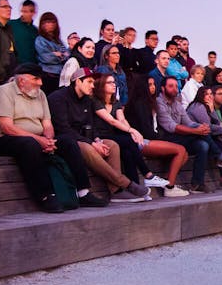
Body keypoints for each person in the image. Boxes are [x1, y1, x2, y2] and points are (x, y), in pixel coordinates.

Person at [0, 63, 100, 213]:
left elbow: (47, 124)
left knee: (68, 142)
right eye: (36, 79)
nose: (41, 83)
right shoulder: (4, 91)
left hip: (34, 139)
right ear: (21, 81)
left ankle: (83, 192)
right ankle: (46, 196)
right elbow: (7, 127)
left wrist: (49, 140)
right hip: (2, 138)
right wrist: (39, 141)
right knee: (30, 144)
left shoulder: (40, 94)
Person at [48, 68, 148, 203]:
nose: (92, 86)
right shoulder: (58, 97)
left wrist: (98, 140)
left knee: (112, 145)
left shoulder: (87, 100)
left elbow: (91, 125)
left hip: (85, 138)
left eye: (93, 82)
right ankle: (125, 183)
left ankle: (116, 192)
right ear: (78, 81)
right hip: (66, 140)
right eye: (89, 82)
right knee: (88, 148)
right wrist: (92, 143)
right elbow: (63, 129)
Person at [91, 72, 181, 195]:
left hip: (113, 135)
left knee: (128, 151)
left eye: (114, 82)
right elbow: (111, 121)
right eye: (110, 82)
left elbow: (121, 119)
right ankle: (147, 175)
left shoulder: (115, 102)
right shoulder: (96, 101)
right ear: (101, 85)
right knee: (128, 139)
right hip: (100, 136)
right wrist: (132, 130)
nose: (114, 85)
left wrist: (132, 133)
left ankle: (137, 189)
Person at [155, 76, 222, 193]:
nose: (175, 89)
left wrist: (200, 127)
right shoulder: (159, 102)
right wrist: (197, 130)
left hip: (181, 136)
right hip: (165, 137)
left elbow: (188, 123)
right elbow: (171, 126)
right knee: (204, 135)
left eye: (176, 86)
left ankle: (197, 184)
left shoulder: (177, 103)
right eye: (171, 86)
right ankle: (220, 156)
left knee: (203, 145)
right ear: (163, 88)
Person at [186, 86, 222, 189]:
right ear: (201, 95)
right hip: (194, 136)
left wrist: (211, 110)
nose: (209, 96)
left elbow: (217, 123)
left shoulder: (207, 106)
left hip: (205, 136)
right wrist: (218, 126)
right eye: (207, 94)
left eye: (211, 94)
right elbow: (209, 126)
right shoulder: (198, 106)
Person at [34, 11, 69, 95]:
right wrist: (57, 55)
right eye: (47, 22)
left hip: (60, 77)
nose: (50, 24)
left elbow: (67, 55)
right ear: (42, 24)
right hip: (47, 76)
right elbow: (46, 58)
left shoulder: (59, 41)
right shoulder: (40, 40)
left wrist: (58, 54)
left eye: (53, 22)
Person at [9, 0, 39, 66]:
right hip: (14, 68)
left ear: (34, 13)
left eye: (30, 11)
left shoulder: (36, 31)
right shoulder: (11, 24)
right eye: (24, 11)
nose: (26, 14)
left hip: (32, 68)